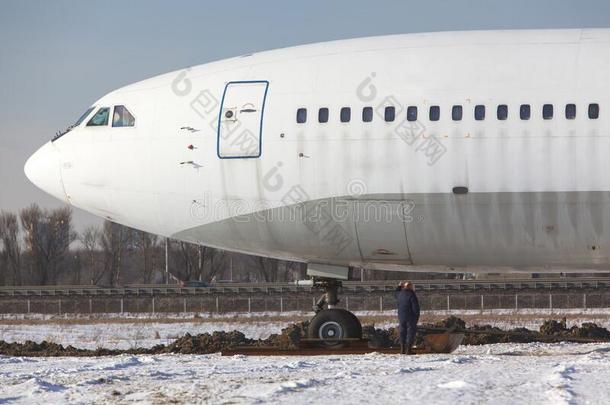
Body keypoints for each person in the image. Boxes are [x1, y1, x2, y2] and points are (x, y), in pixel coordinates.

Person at [395, 281, 420, 354]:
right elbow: (415, 307)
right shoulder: (411, 294)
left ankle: (402, 349)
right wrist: (416, 316)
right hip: (410, 317)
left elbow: (395, 293)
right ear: (410, 287)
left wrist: (399, 286)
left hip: (401, 316)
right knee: (410, 332)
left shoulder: (399, 294)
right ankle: (408, 350)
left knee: (402, 332)